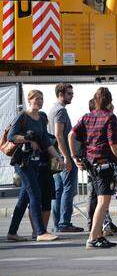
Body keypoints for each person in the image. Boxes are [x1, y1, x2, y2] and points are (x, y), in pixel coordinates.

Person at [69, 87, 117, 248]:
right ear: (109, 101)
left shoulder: (87, 117)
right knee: (103, 202)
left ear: (95, 100)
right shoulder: (110, 117)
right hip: (105, 164)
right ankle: (92, 238)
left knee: (97, 200)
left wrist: (74, 157)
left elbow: (71, 135)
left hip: (91, 164)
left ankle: (98, 235)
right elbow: (113, 143)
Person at [6, 90, 62, 242]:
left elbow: (44, 140)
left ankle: (12, 233)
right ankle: (40, 232)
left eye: (41, 98)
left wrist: (59, 157)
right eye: (36, 98)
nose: (39, 101)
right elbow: (11, 136)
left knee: (23, 199)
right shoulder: (22, 116)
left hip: (35, 162)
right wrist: (27, 139)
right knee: (35, 194)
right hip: (22, 162)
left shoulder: (42, 117)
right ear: (29, 100)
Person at [48, 83, 83, 233]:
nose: (72, 96)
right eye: (69, 93)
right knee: (68, 189)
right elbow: (58, 134)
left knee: (59, 190)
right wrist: (66, 157)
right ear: (61, 93)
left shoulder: (52, 109)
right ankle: (64, 223)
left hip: (54, 155)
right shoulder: (60, 111)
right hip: (62, 155)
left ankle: (58, 224)